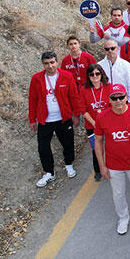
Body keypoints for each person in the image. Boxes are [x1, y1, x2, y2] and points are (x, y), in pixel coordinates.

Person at [93, 84, 130, 235]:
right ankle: (123, 218)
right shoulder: (102, 117)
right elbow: (98, 142)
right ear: (109, 100)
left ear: (127, 97)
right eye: (114, 98)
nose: (118, 100)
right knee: (118, 194)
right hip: (114, 165)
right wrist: (102, 166)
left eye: (121, 97)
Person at [28, 51, 82, 187]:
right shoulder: (36, 78)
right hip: (44, 120)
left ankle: (69, 164)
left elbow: (74, 97)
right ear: (43, 64)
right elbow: (32, 99)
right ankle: (49, 173)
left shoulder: (67, 76)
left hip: (63, 118)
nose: (50, 65)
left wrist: (76, 115)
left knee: (68, 143)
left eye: (52, 62)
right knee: (43, 147)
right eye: (46, 63)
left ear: (57, 62)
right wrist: (32, 119)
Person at [80, 64, 111, 181]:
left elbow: (111, 106)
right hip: (91, 125)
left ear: (101, 74)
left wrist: (105, 122)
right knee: (96, 148)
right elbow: (83, 109)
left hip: (108, 123)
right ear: (88, 77)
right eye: (92, 74)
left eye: (97, 73)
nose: (95, 76)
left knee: (110, 147)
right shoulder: (84, 90)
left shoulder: (109, 87)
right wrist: (94, 123)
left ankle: (112, 166)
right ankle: (98, 170)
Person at [98, 38, 130, 102]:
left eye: (112, 48)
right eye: (107, 49)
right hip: (105, 100)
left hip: (122, 100)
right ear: (104, 50)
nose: (110, 51)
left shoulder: (126, 65)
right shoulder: (99, 65)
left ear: (117, 48)